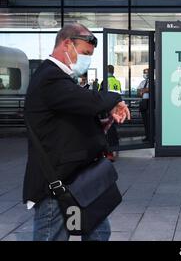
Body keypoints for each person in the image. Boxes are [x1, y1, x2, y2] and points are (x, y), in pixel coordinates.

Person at [23, 23, 130, 241]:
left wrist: (97, 126)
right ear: (67, 44)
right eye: (85, 53)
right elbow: (89, 102)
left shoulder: (59, 78)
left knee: (99, 232)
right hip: (57, 185)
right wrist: (115, 100)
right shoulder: (49, 77)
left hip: (78, 181)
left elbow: (66, 117)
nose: (87, 59)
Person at [100, 65, 122, 160]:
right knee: (113, 127)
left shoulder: (105, 81)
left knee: (108, 128)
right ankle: (115, 145)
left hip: (108, 107)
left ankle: (110, 150)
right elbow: (119, 94)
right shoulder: (117, 81)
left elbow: (99, 95)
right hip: (116, 106)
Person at [137, 68, 150, 142]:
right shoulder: (142, 82)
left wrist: (144, 90)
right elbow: (138, 93)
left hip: (150, 102)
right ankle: (147, 136)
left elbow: (151, 89)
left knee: (150, 121)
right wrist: (144, 90)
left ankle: (152, 137)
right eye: (144, 72)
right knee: (145, 121)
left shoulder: (154, 81)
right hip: (143, 102)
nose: (146, 74)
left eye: (147, 72)